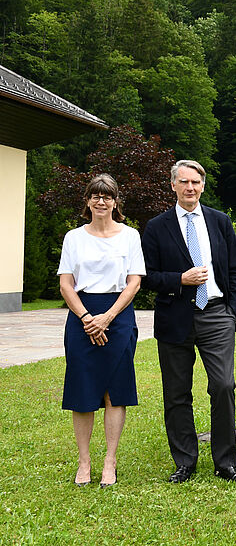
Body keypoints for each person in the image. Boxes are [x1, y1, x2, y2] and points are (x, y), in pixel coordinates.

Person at [142, 160, 236, 484]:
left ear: (203, 185)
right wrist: (180, 279)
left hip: (216, 313)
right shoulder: (157, 227)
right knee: (177, 392)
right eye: (184, 182)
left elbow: (235, 269)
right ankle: (185, 461)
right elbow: (146, 276)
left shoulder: (219, 221)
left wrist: (231, 308)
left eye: (196, 182)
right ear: (173, 185)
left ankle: (225, 462)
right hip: (175, 316)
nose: (190, 187)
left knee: (223, 386)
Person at [58, 174, 145, 488]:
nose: (100, 201)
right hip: (81, 315)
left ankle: (110, 461)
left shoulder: (130, 236)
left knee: (114, 391)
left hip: (118, 316)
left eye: (107, 196)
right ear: (87, 201)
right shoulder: (74, 237)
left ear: (115, 201)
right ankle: (84, 462)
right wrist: (86, 318)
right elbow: (66, 283)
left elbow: (134, 281)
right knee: (82, 391)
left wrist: (107, 317)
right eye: (95, 195)